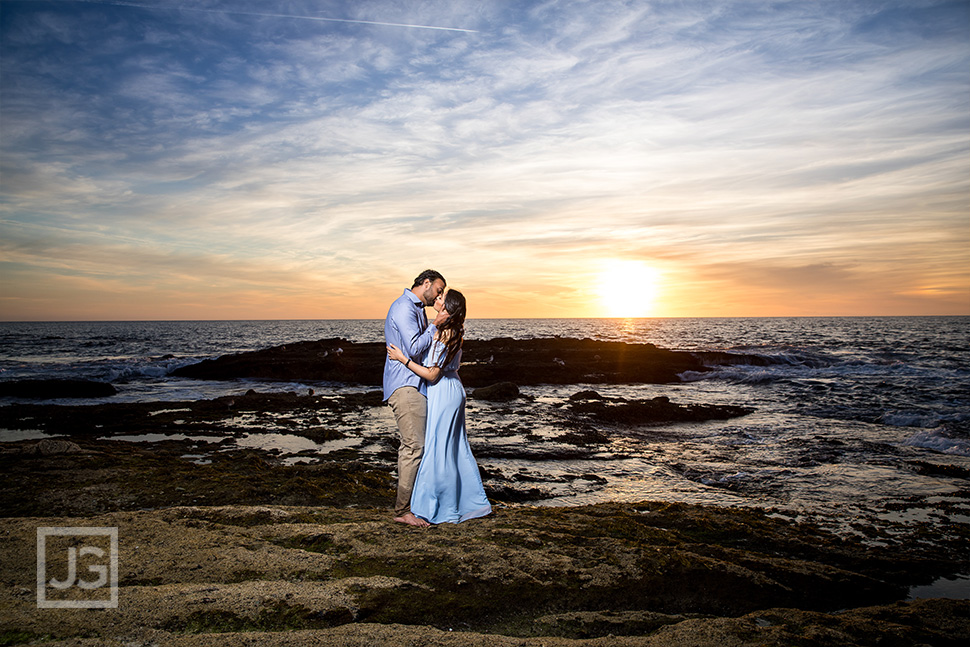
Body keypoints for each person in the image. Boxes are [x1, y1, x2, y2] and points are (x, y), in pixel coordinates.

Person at [387, 289, 492, 525]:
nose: (438, 298)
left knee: (439, 451)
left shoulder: (446, 334)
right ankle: (461, 501)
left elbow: (432, 375)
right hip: (451, 388)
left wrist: (403, 359)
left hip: (444, 391)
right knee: (453, 450)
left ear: (448, 308)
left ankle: (439, 506)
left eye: (442, 298)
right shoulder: (448, 331)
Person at [383, 269, 449, 527]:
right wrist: (435, 325)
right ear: (426, 283)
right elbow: (413, 347)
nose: (440, 295)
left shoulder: (417, 309)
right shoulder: (403, 307)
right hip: (405, 385)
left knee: (418, 446)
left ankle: (414, 506)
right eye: (439, 289)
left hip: (415, 384)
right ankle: (403, 510)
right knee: (413, 447)